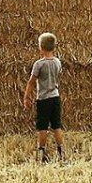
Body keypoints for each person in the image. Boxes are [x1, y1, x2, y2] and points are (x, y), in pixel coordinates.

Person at [23, 32, 64, 162]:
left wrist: (26, 97)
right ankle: (61, 151)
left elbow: (31, 82)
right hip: (55, 97)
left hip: (43, 99)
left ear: (41, 47)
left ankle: (41, 152)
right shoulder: (57, 62)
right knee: (56, 125)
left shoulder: (39, 64)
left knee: (42, 127)